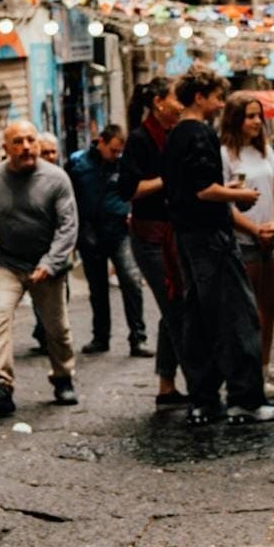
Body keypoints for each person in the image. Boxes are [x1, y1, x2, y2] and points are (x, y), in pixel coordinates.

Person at [162, 68, 274, 426]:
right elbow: (204, 191)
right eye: (216, 96)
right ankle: (245, 399)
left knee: (199, 319)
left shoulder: (175, 135)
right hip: (210, 237)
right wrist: (239, 194)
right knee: (239, 316)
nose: (219, 104)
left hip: (187, 236)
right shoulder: (199, 134)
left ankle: (204, 398)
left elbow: (187, 188)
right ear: (199, 97)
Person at [0, 120, 79, 415]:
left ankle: (63, 376)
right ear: (5, 148)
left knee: (57, 328)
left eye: (31, 140)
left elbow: (68, 229)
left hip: (47, 264)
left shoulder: (56, 179)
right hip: (8, 263)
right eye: (18, 141)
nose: (27, 147)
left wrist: (50, 263)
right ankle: (1, 386)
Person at [219, 92, 274, 395]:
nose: (256, 121)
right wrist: (253, 229)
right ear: (236, 118)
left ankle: (264, 366)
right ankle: (249, 373)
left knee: (270, 306)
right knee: (248, 312)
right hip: (244, 240)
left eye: (257, 115)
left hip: (268, 238)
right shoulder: (225, 153)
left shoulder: (264, 150)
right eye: (249, 116)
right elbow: (226, 203)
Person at [121, 79, 190, 408]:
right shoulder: (138, 139)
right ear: (160, 102)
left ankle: (166, 384)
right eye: (177, 98)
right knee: (176, 309)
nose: (181, 104)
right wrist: (170, 178)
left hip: (173, 233)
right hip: (150, 237)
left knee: (172, 306)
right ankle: (198, 382)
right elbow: (129, 190)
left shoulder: (175, 133)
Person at [69, 127, 151, 357]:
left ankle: (138, 337)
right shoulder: (79, 165)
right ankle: (100, 337)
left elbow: (135, 189)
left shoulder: (124, 165)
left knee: (131, 279)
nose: (116, 155)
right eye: (113, 150)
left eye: (119, 151)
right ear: (101, 142)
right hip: (90, 234)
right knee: (97, 289)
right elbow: (69, 198)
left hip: (119, 232)